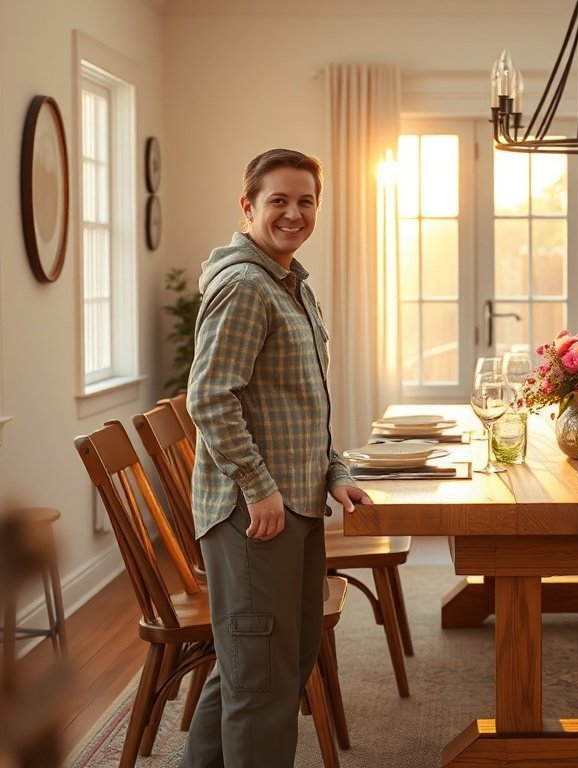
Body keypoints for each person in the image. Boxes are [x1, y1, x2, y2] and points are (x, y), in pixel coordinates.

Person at [182, 148, 371, 767]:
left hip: (295, 501)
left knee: (270, 663)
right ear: (248, 207)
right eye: (279, 201)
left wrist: (336, 473)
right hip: (255, 514)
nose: (294, 213)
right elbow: (209, 398)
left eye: (306, 201)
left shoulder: (290, 284)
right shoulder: (244, 285)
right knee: (262, 677)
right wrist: (259, 488)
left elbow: (298, 404)